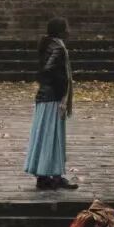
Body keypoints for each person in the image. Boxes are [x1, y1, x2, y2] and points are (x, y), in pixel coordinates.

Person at [23, 16, 77, 190]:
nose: (69, 31)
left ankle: (47, 174)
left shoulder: (48, 45)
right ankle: (52, 175)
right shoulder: (58, 48)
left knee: (46, 135)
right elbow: (51, 71)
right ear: (60, 31)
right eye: (66, 28)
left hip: (45, 96)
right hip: (52, 98)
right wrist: (62, 97)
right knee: (52, 137)